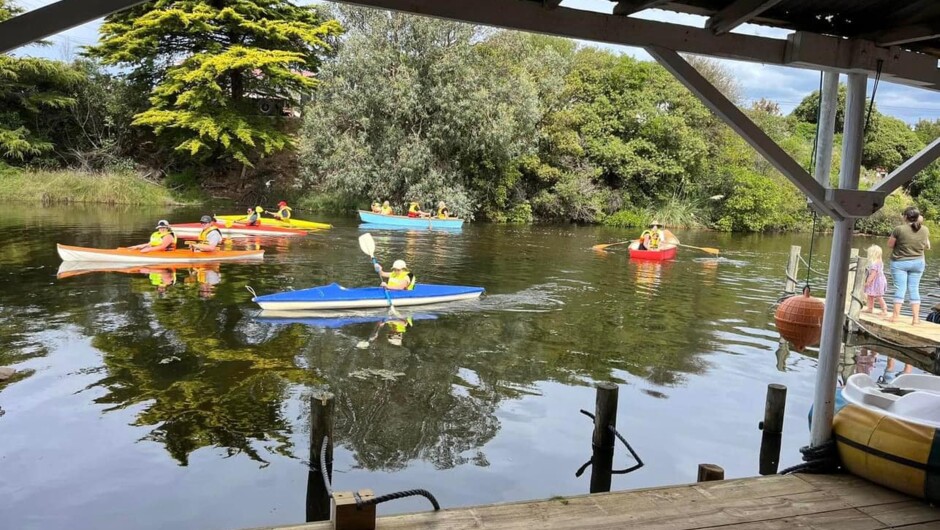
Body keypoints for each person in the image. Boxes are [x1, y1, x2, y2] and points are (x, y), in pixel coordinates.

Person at [888, 206, 930, 324]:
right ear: (918, 217)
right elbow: (926, 245)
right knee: (914, 288)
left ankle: (895, 317)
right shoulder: (925, 230)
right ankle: (915, 319)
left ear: (905, 217)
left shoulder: (899, 229)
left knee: (900, 288)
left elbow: (890, 245)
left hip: (899, 262)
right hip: (918, 262)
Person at [863, 244, 889, 317]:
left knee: (878, 296)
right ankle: (870, 308)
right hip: (879, 280)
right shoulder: (880, 261)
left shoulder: (875, 263)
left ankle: (884, 309)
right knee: (870, 295)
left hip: (876, 282)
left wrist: (867, 282)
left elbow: (873, 274)